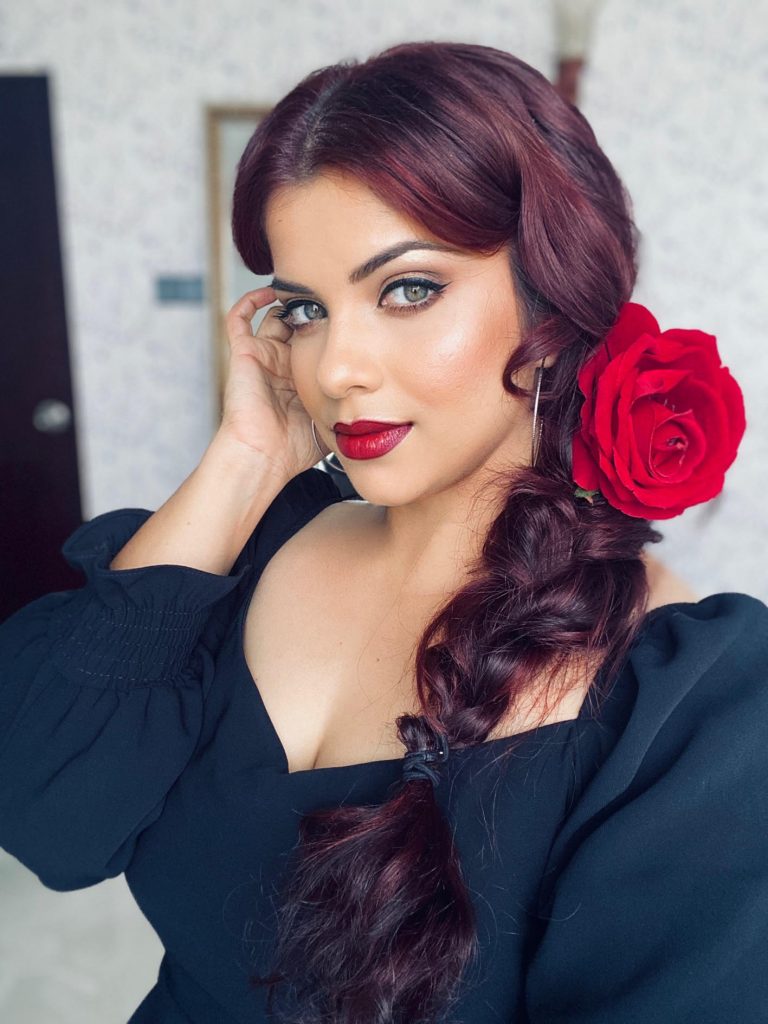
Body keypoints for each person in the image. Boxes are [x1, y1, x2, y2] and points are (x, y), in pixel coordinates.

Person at [0, 39, 765, 1024]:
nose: (336, 369)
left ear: (553, 300)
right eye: (305, 309)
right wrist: (243, 459)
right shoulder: (255, 550)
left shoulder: (688, 700)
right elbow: (51, 823)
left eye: (408, 289)